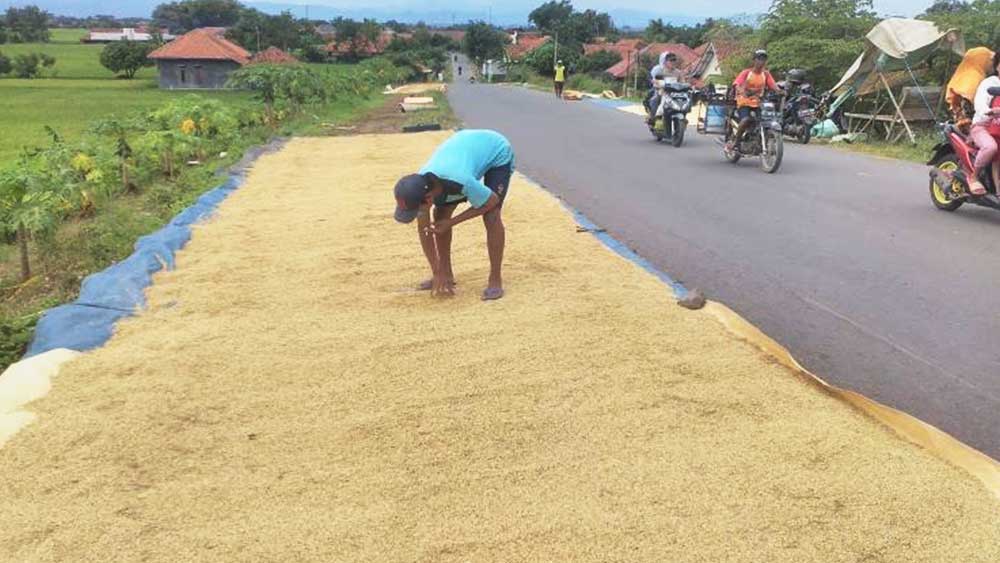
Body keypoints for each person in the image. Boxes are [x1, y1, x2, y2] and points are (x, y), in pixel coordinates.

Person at [393, 130, 514, 301]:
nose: (418, 213)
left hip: (495, 150)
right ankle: (446, 274)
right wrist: (437, 272)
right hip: (463, 153)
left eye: (418, 209)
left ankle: (495, 279)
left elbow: (491, 201)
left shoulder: (459, 180)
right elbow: (425, 229)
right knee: (440, 215)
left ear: (428, 199)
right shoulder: (420, 184)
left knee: (491, 215)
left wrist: (452, 222)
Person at [727, 50, 780, 151]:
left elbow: (773, 85)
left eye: (764, 59)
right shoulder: (746, 73)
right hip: (744, 102)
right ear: (754, 60)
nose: (762, 61)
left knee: (766, 119)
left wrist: (780, 91)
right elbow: (737, 84)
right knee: (746, 120)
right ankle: (736, 143)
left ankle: (758, 140)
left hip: (758, 103)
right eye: (759, 59)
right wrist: (741, 91)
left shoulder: (766, 74)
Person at [967, 50, 1000, 196]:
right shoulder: (990, 83)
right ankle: (973, 176)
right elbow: (980, 105)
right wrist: (990, 112)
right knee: (990, 147)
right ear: (998, 66)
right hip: (983, 126)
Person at [645, 51, 683, 125]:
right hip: (662, 91)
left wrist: (687, 86)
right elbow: (654, 80)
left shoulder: (678, 72)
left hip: (675, 93)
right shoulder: (660, 71)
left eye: (674, 60)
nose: (673, 62)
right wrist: (657, 83)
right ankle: (653, 117)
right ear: (665, 61)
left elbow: (683, 82)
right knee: (655, 99)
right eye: (670, 60)